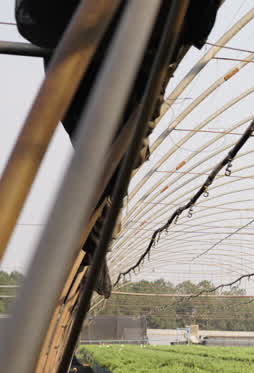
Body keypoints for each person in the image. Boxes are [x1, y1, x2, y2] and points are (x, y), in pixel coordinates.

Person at [12, 0, 221, 295]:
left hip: (73, 31)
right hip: (95, 32)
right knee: (116, 144)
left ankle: (97, 227)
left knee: (111, 146)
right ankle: (97, 227)